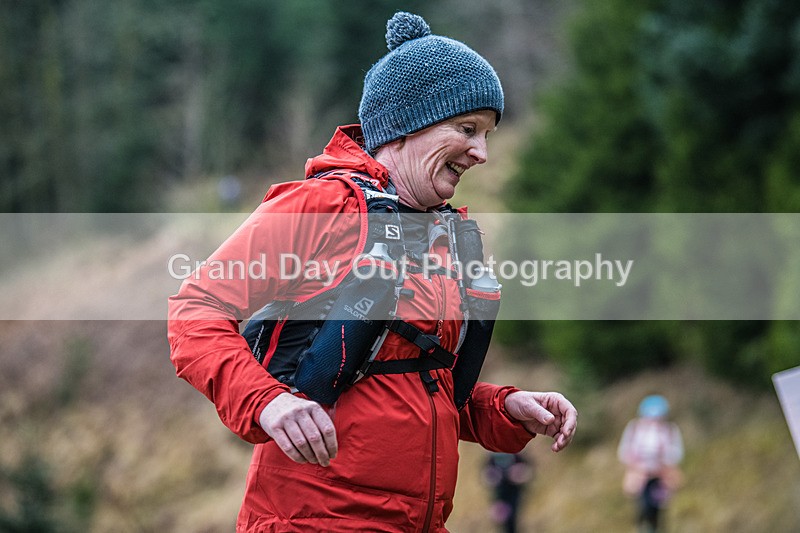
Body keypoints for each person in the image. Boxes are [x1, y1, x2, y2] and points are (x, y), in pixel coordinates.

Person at [168, 11, 577, 532]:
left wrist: (504, 407)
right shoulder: (323, 206)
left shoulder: (444, 237)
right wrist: (266, 402)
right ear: (406, 126)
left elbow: (411, 384)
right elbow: (194, 311)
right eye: (468, 129)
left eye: (488, 135)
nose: (482, 153)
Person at [617, 395, 684, 533]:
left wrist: (663, 461)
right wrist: (637, 465)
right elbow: (624, 452)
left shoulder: (670, 430)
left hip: (660, 477)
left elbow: (676, 454)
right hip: (639, 477)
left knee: (658, 509)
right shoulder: (634, 428)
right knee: (642, 508)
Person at [483, 452, 533, 533]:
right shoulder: (492, 459)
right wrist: (493, 477)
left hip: (514, 494)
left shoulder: (517, 456)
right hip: (499, 494)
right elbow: (486, 475)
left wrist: (517, 474)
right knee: (501, 521)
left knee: (513, 521)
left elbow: (528, 472)